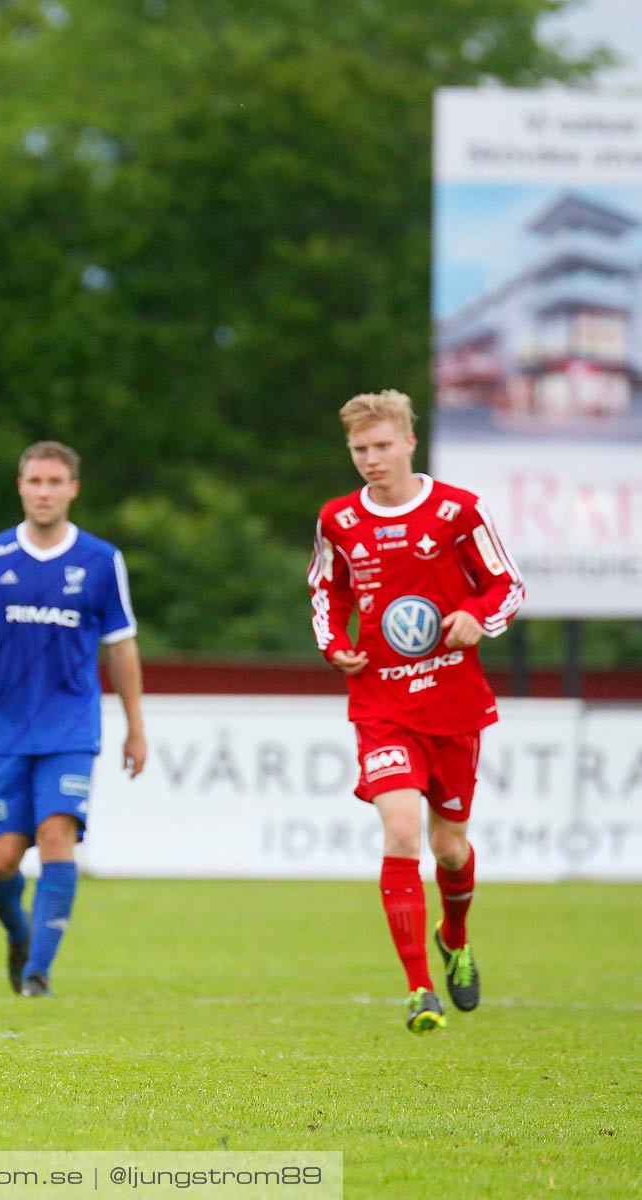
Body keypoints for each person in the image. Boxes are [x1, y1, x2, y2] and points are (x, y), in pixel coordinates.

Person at [308, 390, 523, 1033]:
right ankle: (418, 990)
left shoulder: (458, 511)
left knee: (450, 848)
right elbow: (327, 588)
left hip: (454, 702)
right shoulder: (338, 520)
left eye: (381, 446)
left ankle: (453, 936)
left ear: (408, 442)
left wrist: (476, 618)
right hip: (381, 703)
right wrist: (336, 644)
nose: (370, 460)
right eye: (358, 450)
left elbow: (506, 584)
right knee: (401, 832)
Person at [0, 441, 145, 998]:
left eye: (55, 482)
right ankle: (20, 934)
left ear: (72, 489)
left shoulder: (101, 560)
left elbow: (122, 647)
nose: (44, 491)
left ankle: (38, 973)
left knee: (57, 833)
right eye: (35, 481)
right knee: (1, 860)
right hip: (6, 728)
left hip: (71, 725)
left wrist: (136, 724)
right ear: (20, 485)